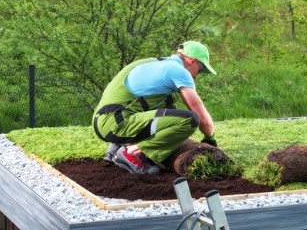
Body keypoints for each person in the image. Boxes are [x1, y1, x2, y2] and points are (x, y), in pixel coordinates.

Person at [92, 41, 219, 174]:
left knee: (169, 106)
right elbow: (202, 119)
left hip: (104, 121)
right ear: (192, 60)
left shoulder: (150, 63)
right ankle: (131, 153)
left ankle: (116, 147)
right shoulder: (178, 71)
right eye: (201, 69)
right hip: (117, 123)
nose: (197, 76)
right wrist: (210, 138)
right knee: (190, 120)